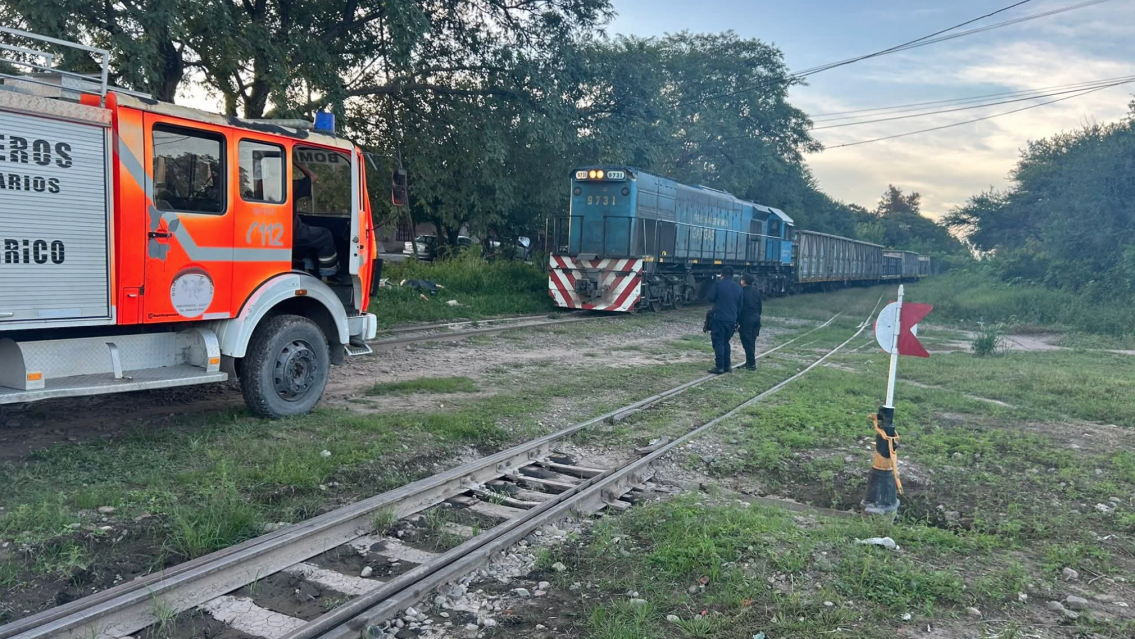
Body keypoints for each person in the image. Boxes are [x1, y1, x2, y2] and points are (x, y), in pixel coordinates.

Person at [292, 160, 340, 279]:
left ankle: (309, 269)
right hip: (293, 232)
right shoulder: (288, 186)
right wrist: (294, 161)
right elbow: (313, 176)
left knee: (311, 237)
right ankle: (328, 275)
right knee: (325, 235)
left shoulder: (259, 185)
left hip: (276, 232)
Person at [706, 266, 743, 374]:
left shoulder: (718, 284)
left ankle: (719, 367)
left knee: (718, 342)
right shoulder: (738, 287)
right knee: (726, 342)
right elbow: (740, 306)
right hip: (732, 319)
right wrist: (736, 319)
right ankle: (728, 366)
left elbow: (710, 297)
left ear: (721, 275)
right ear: (732, 276)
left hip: (719, 318)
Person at [738, 273, 763, 370]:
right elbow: (760, 307)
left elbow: (739, 307)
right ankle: (749, 362)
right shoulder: (756, 292)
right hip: (756, 318)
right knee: (752, 341)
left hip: (746, 319)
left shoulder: (741, 292)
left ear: (743, 281)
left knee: (746, 341)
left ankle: (751, 364)